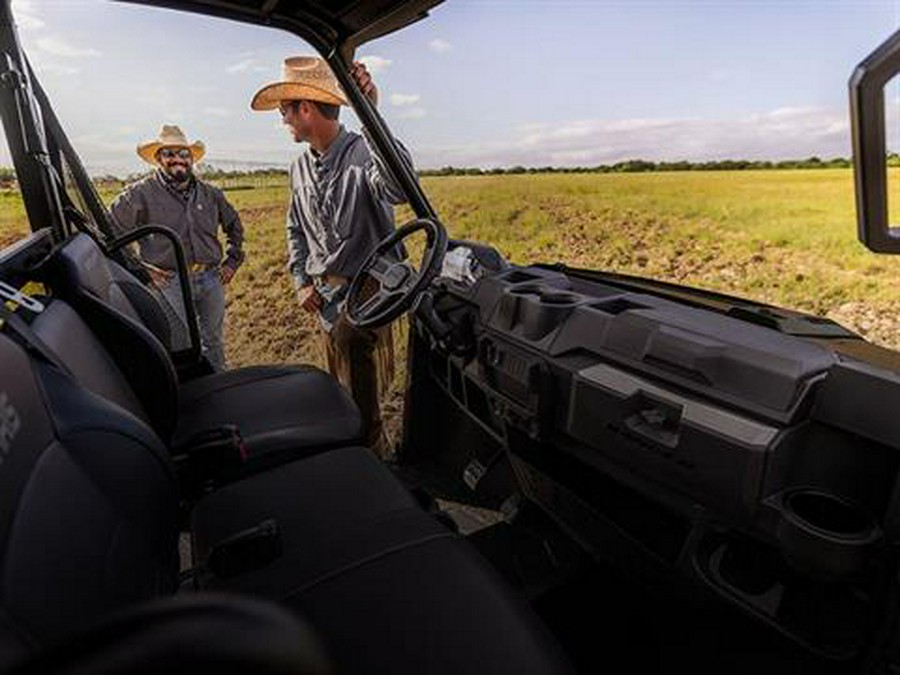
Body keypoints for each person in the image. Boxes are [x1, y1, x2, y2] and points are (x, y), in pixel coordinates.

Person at [250, 56, 414, 459]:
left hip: (369, 288)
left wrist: (369, 114)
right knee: (342, 382)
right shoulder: (298, 167)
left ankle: (370, 456)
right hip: (325, 293)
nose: (283, 120)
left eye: (285, 110)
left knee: (357, 376)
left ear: (305, 108)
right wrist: (301, 281)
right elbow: (295, 229)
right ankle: (356, 443)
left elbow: (398, 189)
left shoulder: (363, 151)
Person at [109, 124, 244, 371]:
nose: (177, 159)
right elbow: (110, 232)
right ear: (159, 158)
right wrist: (141, 269)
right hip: (169, 281)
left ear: (191, 158)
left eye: (183, 153)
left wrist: (232, 261)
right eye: (169, 153)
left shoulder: (210, 194)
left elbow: (234, 225)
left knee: (213, 340)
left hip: (211, 278)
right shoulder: (139, 194)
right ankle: (193, 388)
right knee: (181, 343)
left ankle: (220, 382)